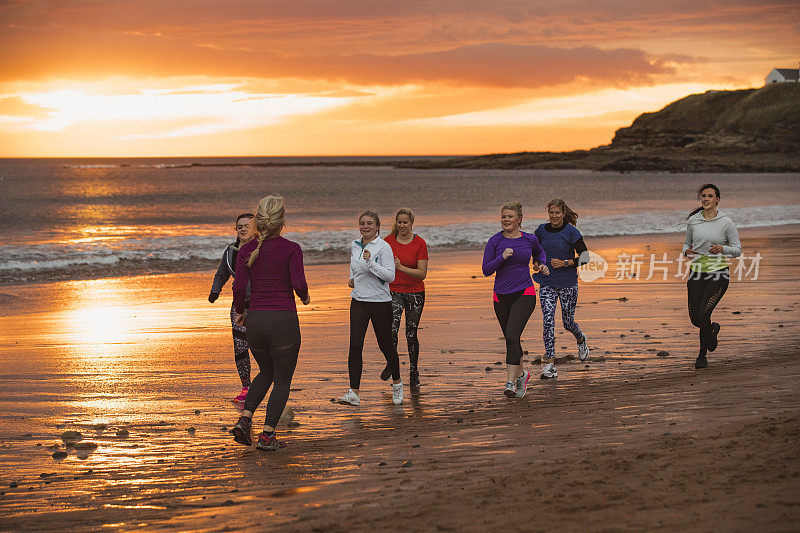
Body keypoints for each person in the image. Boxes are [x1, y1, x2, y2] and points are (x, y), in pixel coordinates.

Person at [230, 194, 310, 451]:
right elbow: (298, 284)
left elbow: (239, 288)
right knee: (283, 379)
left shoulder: (245, 250)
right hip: (282, 321)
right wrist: (305, 296)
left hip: (256, 323)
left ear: (259, 222)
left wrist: (241, 312)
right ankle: (267, 435)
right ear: (281, 221)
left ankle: (245, 420)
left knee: (265, 372)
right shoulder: (291, 248)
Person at [482, 202, 549, 399]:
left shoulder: (530, 239)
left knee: (511, 335)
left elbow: (540, 253)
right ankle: (522, 375)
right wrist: (501, 258)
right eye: (503, 217)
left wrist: (541, 264)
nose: (506, 220)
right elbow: (486, 270)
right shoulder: (494, 241)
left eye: (510, 217)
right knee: (512, 339)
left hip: (524, 292)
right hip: (500, 295)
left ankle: (510, 382)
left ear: (519, 219)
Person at [338, 210, 404, 407]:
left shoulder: (383, 247)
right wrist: (352, 278)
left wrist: (371, 263)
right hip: (358, 300)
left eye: (369, 223)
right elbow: (354, 266)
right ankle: (354, 393)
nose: (365, 226)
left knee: (385, 345)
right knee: (355, 345)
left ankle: (398, 383)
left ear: (377, 227)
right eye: (362, 223)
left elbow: (390, 276)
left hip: (380, 302)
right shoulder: (354, 245)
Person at [683, 183, 741, 369]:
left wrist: (722, 249)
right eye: (703, 196)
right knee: (695, 319)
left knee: (704, 312)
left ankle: (702, 357)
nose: (706, 199)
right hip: (697, 274)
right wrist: (687, 252)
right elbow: (686, 245)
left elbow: (737, 250)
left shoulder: (726, 222)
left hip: (718, 274)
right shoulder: (693, 221)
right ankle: (712, 330)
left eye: (710, 196)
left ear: (717, 199)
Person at [532, 199, 590, 379]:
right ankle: (550, 364)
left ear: (563, 213)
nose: (554, 216)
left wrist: (565, 263)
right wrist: (536, 264)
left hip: (568, 283)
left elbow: (586, 257)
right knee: (548, 321)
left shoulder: (571, 232)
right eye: (551, 213)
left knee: (567, 322)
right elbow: (535, 252)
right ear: (547, 213)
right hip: (547, 282)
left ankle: (581, 338)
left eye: (557, 213)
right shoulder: (541, 231)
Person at [208, 213, 255, 408]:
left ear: (256, 228)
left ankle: (272, 383)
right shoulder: (231, 251)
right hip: (239, 305)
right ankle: (246, 387)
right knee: (240, 348)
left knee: (263, 347)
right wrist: (215, 291)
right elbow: (221, 274)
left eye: (247, 226)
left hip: (262, 304)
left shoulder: (263, 249)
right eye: (240, 226)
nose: (243, 229)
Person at [381, 208, 428, 388]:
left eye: (405, 222)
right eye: (399, 222)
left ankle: (414, 370)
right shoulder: (388, 242)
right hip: (392, 291)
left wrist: (400, 268)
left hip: (415, 293)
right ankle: (391, 365)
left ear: (411, 223)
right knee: (391, 331)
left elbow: (422, 273)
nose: (402, 225)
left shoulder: (420, 243)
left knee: (411, 333)